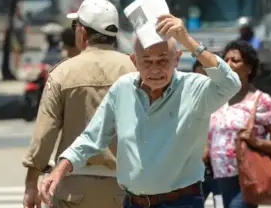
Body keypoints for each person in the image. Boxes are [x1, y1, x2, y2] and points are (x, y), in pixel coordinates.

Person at [39, 14, 242, 208]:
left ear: (177, 58)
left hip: (181, 201)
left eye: (162, 60)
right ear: (134, 61)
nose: (155, 69)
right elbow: (92, 137)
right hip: (133, 202)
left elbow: (231, 83)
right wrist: (59, 170)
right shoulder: (122, 89)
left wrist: (188, 41)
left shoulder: (194, 88)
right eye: (147, 61)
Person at [22, 0, 137, 208]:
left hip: (72, 188)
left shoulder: (62, 73)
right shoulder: (135, 70)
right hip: (126, 188)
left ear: (82, 32)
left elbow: (44, 134)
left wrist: (31, 184)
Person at [207, 40, 271, 208]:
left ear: (249, 68)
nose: (229, 64)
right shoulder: (217, 98)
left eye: (235, 60)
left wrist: (257, 142)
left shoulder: (262, 101)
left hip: (246, 178)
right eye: (226, 60)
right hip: (218, 178)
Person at [192, 60, 222, 208]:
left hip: (222, 173)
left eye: (208, 76)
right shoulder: (187, 103)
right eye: (200, 75)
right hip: (195, 174)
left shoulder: (227, 101)